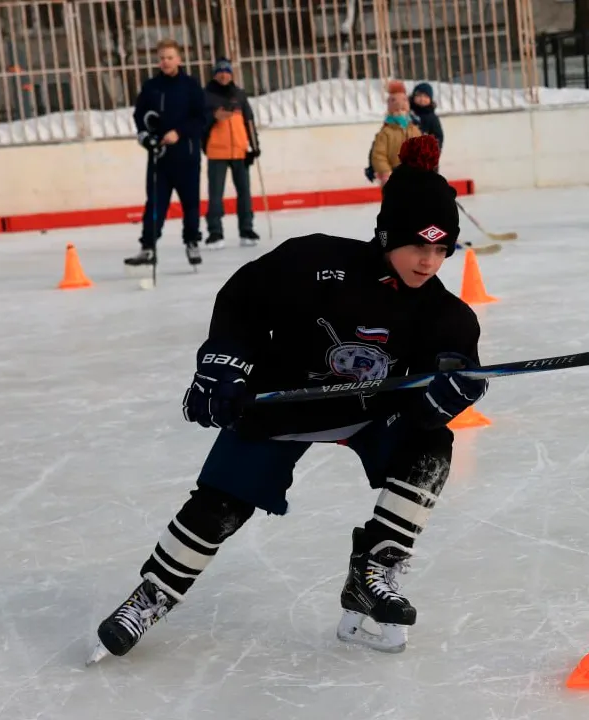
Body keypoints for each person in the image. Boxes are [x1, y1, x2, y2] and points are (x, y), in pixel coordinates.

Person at [89, 134, 487, 664]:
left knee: (432, 445)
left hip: (368, 414)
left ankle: (375, 567)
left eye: (442, 249)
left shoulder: (446, 314)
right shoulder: (316, 263)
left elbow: (443, 383)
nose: (430, 262)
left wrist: (447, 395)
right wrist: (222, 371)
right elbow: (241, 303)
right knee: (218, 508)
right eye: (419, 245)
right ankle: (152, 595)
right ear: (386, 235)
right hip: (284, 406)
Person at [126, 39, 206, 270]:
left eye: (170, 57)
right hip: (160, 158)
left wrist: (179, 133)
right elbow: (140, 116)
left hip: (187, 157)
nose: (165, 62)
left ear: (179, 59)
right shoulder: (151, 86)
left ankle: (192, 242)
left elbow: (201, 118)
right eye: (161, 57)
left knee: (190, 204)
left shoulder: (190, 85)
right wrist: (146, 137)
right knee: (155, 204)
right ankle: (148, 247)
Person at [203, 58, 261, 248]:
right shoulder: (206, 96)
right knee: (216, 194)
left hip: (239, 151)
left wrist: (254, 147)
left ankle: (246, 229)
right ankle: (215, 232)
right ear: (214, 74)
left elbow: (249, 122)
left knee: (244, 192)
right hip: (217, 152)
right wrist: (213, 116)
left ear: (231, 73)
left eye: (226, 71)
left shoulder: (239, 95)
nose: (223, 75)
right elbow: (199, 122)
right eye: (219, 72)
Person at [369, 80, 423, 185]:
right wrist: (385, 172)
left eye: (403, 110)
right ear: (390, 112)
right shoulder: (385, 132)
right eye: (396, 111)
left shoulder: (414, 129)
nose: (400, 114)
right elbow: (379, 154)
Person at [410, 82, 444, 148]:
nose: (422, 99)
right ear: (413, 97)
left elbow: (438, 137)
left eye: (426, 96)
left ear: (430, 99)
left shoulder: (432, 118)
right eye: (419, 95)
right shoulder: (408, 113)